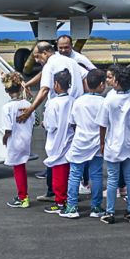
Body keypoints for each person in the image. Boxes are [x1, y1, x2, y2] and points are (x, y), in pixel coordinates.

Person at [60, 69, 109, 219]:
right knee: (96, 175)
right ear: (102, 85)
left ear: (86, 83)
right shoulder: (104, 102)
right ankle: (96, 206)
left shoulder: (79, 101)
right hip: (98, 142)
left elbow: (72, 122)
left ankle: (72, 206)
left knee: (75, 174)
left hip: (80, 141)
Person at [101, 66, 130, 223]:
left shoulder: (109, 100)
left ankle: (110, 211)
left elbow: (103, 124)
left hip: (113, 142)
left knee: (113, 179)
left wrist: (101, 143)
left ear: (117, 82)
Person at [20, 35, 96, 120]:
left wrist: (30, 111)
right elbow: (85, 78)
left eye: (37, 56)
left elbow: (44, 90)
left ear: (45, 53)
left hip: (59, 110)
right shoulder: (71, 61)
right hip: (76, 108)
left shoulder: (49, 65)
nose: (36, 61)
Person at [41, 69, 75, 214]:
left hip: (56, 140)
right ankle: (67, 198)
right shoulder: (73, 100)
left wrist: (44, 122)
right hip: (69, 138)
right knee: (68, 172)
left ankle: (60, 201)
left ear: (56, 84)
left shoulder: (53, 103)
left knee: (58, 172)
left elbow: (51, 125)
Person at [0, 72, 35, 208]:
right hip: (26, 139)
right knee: (22, 166)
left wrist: (4, 138)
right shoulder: (27, 104)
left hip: (15, 141)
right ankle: (23, 195)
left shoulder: (7, 107)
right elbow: (34, 122)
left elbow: (8, 129)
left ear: (6, 91)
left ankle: (23, 197)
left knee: (18, 169)